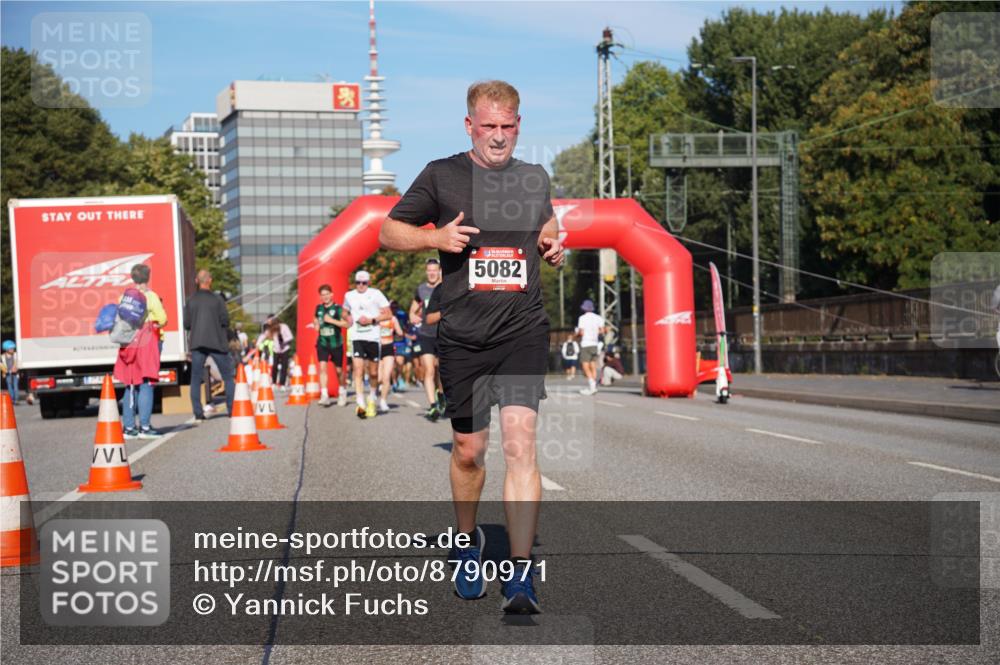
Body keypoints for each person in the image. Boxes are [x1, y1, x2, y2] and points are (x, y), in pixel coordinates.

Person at [378, 80, 564, 614]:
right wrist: (433, 238)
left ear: (519, 125)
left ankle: (522, 575)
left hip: (523, 328)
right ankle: (466, 543)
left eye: (508, 127)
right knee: (469, 451)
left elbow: (546, 220)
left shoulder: (533, 177)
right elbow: (388, 232)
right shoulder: (442, 174)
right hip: (462, 333)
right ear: (470, 126)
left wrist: (553, 241)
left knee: (521, 445)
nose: (499, 137)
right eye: (489, 127)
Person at [116, 264, 167, 438]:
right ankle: (145, 427)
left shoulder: (124, 297)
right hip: (147, 344)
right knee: (146, 383)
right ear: (148, 277)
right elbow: (162, 319)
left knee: (130, 383)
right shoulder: (151, 297)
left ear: (132, 278)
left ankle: (129, 428)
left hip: (129, 343)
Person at [184, 270, 235, 420]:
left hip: (197, 342)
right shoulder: (218, 299)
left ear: (196, 281)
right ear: (210, 281)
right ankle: (231, 410)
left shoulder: (191, 300)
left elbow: (187, 324)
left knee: (195, 377)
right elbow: (225, 320)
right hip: (217, 342)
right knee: (228, 377)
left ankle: (198, 413)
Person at [343, 270, 392, 419]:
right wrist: (348, 318)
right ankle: (360, 402)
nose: (361, 285)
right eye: (358, 282)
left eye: (364, 283)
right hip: (357, 336)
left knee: (373, 373)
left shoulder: (376, 294)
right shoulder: (349, 295)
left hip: (373, 337)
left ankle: (372, 397)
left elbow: (388, 314)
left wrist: (372, 320)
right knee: (358, 370)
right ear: (355, 283)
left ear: (368, 283)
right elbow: (344, 312)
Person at [410, 258, 445, 419]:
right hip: (426, 334)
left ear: (439, 271)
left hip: (443, 334)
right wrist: (412, 316)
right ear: (426, 272)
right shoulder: (421, 289)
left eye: (434, 270)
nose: (431, 273)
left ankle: (441, 394)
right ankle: (433, 406)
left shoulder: (446, 288)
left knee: (441, 371)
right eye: (429, 270)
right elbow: (414, 308)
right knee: (429, 370)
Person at [315, 284, 350, 407]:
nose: (325, 297)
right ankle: (324, 395)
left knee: (339, 370)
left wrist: (332, 321)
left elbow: (347, 324)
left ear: (331, 294)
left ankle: (342, 391)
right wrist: (316, 325)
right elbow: (316, 319)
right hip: (322, 343)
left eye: (327, 294)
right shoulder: (318, 308)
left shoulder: (338, 309)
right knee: (322, 367)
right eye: (322, 295)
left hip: (336, 344)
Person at [377, 304, 404, 413]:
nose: (382, 310)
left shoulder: (393, 318)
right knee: (378, 377)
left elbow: (400, 332)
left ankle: (383, 401)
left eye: (384, 307)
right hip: (377, 348)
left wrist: (398, 332)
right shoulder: (375, 318)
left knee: (386, 376)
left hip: (388, 347)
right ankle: (376, 391)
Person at [576, 299, 606, 396]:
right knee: (593, 364)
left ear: (584, 308)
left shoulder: (582, 318)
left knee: (585, 365)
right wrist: (595, 333)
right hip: (595, 343)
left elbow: (581, 332)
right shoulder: (598, 318)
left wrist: (577, 334)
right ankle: (593, 387)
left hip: (586, 343)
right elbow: (602, 331)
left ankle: (592, 386)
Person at [2, 340, 19, 405]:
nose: (12, 349)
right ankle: (12, 399)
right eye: (10, 348)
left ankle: (16, 399)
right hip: (7, 373)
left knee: (15, 386)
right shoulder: (2, 356)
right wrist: (5, 371)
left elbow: (18, 362)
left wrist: (16, 368)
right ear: (6, 349)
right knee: (9, 386)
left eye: (13, 348)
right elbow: (1, 365)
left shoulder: (15, 355)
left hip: (15, 373)